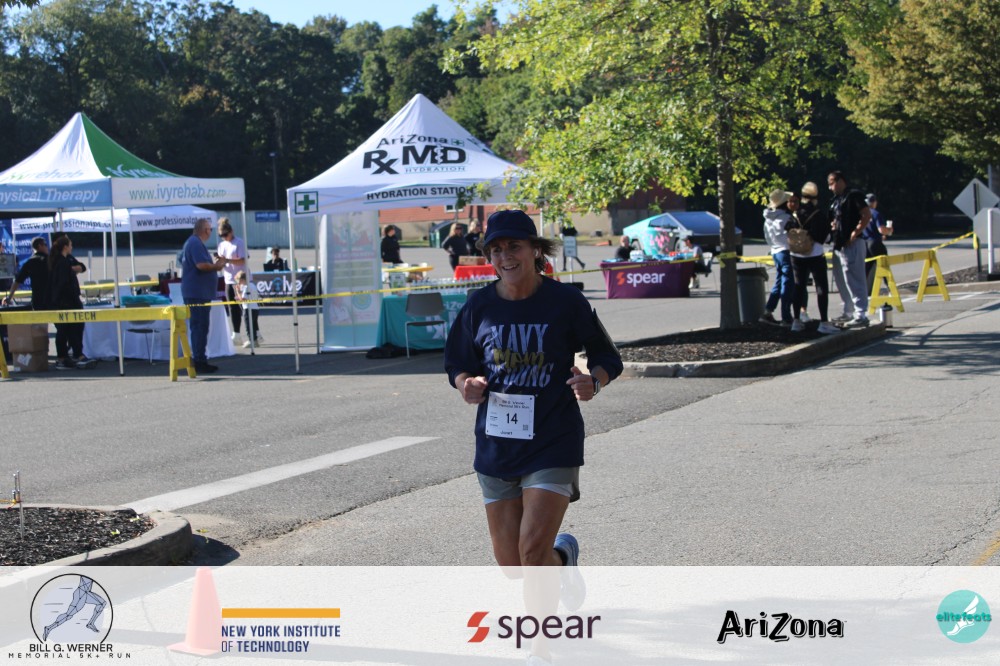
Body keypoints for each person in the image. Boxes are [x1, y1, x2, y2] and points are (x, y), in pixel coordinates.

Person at [444, 209, 623, 663]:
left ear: (535, 251)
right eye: (496, 249)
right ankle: (563, 560)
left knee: (530, 549)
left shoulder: (566, 302)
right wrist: (466, 383)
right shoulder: (478, 306)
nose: (505, 256)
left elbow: (607, 357)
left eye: (514, 246)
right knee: (513, 566)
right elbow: (457, 363)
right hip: (497, 445)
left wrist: (593, 380)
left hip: (552, 440)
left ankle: (540, 651)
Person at [787, 193, 839, 335]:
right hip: (815, 254)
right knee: (821, 287)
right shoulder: (818, 215)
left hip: (796, 255)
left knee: (799, 286)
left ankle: (796, 321)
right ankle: (824, 322)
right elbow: (825, 238)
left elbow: (787, 231)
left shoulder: (794, 215)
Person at [181, 218, 226, 374]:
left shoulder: (192, 243)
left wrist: (214, 265)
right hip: (197, 293)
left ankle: (200, 359)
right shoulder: (195, 243)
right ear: (205, 230)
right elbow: (201, 265)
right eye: (210, 229)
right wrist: (217, 266)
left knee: (199, 327)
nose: (210, 232)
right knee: (200, 327)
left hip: (198, 292)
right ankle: (200, 361)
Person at [827, 170, 871, 328]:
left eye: (832, 183)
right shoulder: (837, 200)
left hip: (853, 243)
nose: (830, 187)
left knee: (855, 279)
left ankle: (861, 314)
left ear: (840, 181)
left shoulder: (853, 195)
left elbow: (866, 215)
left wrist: (855, 232)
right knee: (843, 279)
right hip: (839, 244)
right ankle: (849, 311)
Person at [48, 235, 93, 370]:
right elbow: (63, 284)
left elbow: (82, 267)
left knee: (70, 329)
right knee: (68, 329)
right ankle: (67, 357)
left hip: (65, 300)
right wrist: (71, 298)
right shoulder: (62, 262)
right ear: (65, 247)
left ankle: (73, 355)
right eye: (70, 245)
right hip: (67, 301)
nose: (72, 247)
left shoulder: (62, 260)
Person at [760, 189, 795, 326]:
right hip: (786, 251)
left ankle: (768, 311)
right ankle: (786, 316)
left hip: (775, 251)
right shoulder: (786, 218)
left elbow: (767, 237)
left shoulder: (768, 218)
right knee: (787, 284)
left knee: (779, 282)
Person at [216, 217, 249, 346]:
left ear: (231, 231)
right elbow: (221, 263)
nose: (224, 238)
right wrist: (219, 262)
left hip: (241, 280)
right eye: (221, 236)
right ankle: (236, 334)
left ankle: (253, 334)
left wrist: (227, 260)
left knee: (246, 307)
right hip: (229, 280)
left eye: (225, 235)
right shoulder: (221, 245)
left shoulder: (239, 243)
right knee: (232, 308)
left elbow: (243, 260)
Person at [3, 237, 49, 309]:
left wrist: (9, 297)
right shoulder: (50, 260)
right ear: (39, 246)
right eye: (45, 245)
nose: (47, 247)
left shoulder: (30, 262)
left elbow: (17, 281)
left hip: (37, 300)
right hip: (52, 298)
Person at [863, 193, 893, 293]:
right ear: (874, 202)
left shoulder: (862, 214)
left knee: (866, 268)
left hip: (865, 243)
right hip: (875, 243)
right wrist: (889, 230)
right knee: (884, 265)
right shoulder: (875, 213)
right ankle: (891, 287)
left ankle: (863, 290)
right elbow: (881, 230)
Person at [234, 270, 262, 347]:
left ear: (242, 280)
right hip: (255, 307)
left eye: (239, 281)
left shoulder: (246, 287)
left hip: (248, 308)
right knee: (253, 325)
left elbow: (243, 299)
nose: (239, 283)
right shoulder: (252, 285)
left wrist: (238, 292)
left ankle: (251, 340)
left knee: (249, 326)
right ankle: (255, 340)